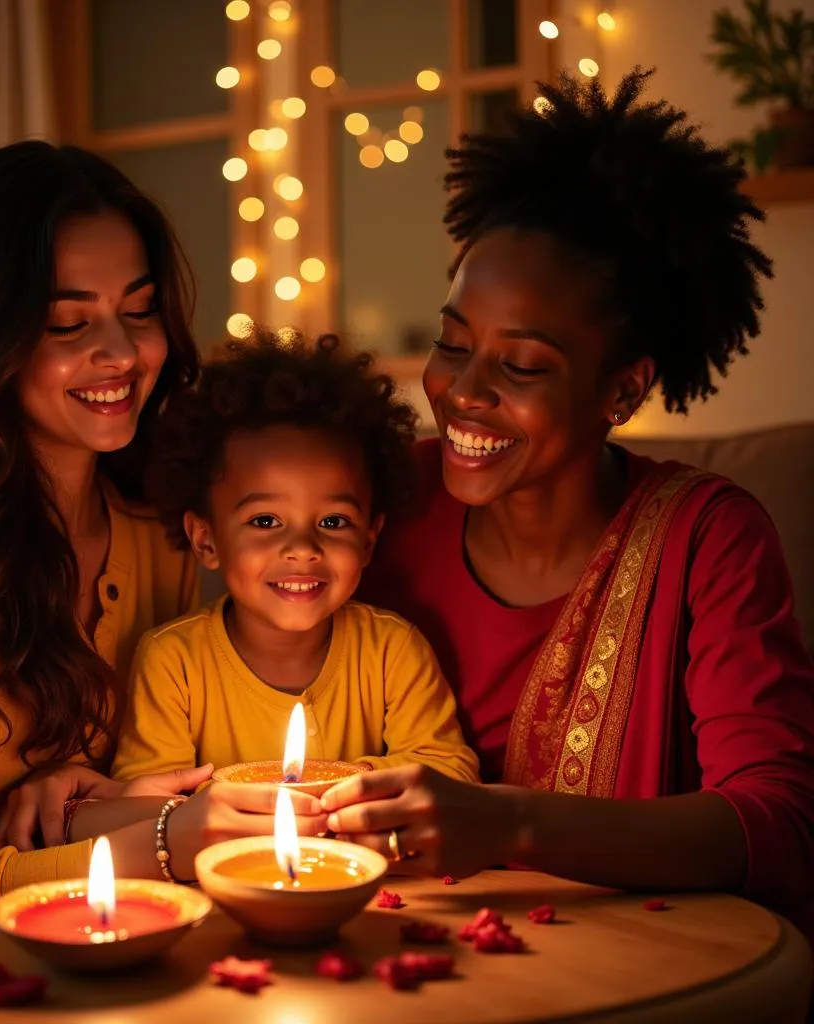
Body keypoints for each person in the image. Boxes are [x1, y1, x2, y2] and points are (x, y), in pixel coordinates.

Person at [0, 142, 321, 1010]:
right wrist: (160, 840)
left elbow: (139, 769)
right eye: (69, 324)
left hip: (101, 919)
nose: (120, 353)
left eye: (139, 311)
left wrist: (96, 803)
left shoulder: (154, 525)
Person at [321, 68, 814, 942]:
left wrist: (507, 822)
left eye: (522, 366)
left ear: (621, 391)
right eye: (452, 344)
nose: (462, 393)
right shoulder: (377, 502)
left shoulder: (709, 537)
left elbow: (776, 825)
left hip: (634, 963)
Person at [0, 333, 479, 856]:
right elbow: (150, 802)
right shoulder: (174, 660)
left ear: (369, 539)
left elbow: (451, 773)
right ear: (206, 539)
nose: (302, 548)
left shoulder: (393, 650)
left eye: (333, 521)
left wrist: (324, 782)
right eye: (265, 521)